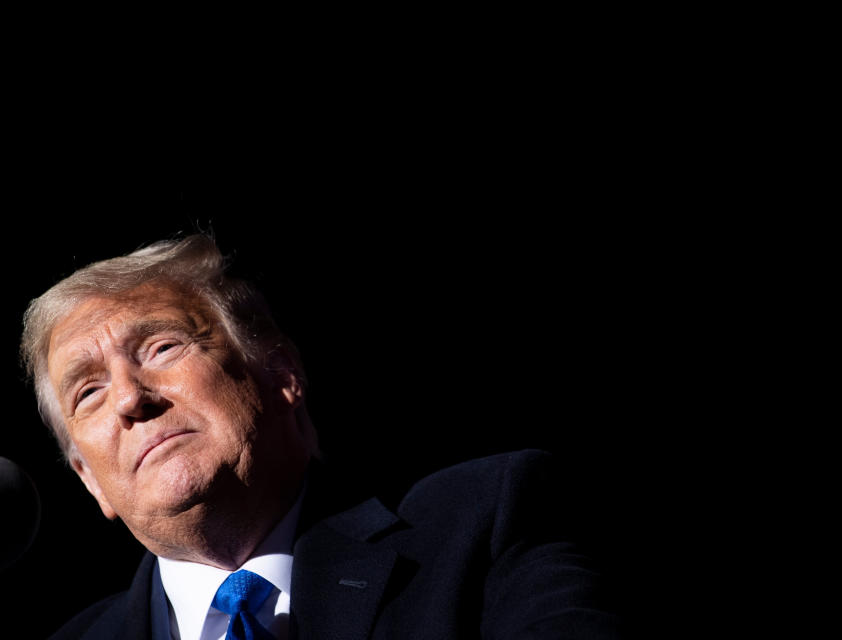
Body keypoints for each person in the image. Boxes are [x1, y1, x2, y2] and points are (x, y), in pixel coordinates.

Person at [20, 234, 623, 639]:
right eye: (88, 392)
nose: (130, 398)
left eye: (163, 347)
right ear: (88, 478)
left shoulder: (486, 520)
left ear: (282, 374)